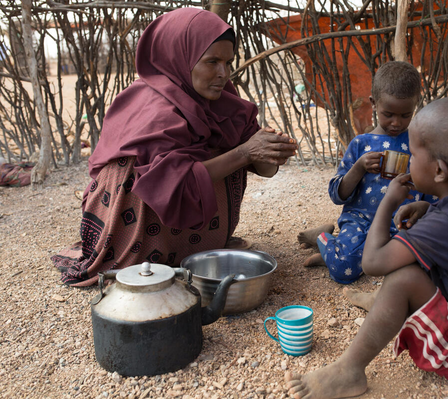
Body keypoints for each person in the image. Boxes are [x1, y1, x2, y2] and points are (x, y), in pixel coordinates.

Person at [285, 97, 448, 399]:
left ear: (439, 171)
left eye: (414, 155)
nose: (409, 160)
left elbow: (373, 263)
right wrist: (425, 207)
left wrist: (389, 201)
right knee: (413, 255)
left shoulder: (446, 224)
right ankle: (384, 306)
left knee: (401, 278)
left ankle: (349, 370)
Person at [52, 8, 297, 286]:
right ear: (180, 57)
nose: (223, 73)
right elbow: (171, 184)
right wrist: (245, 152)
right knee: (152, 168)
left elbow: (261, 164)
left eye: (228, 62)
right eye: (212, 61)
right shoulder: (152, 107)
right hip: (138, 236)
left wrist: (272, 150)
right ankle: (153, 257)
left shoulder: (223, 100)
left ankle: (193, 250)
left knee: (226, 149)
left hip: (191, 231)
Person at [297, 61, 435, 284]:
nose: (396, 123)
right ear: (373, 103)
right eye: (388, 114)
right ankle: (325, 240)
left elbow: (430, 190)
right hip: (360, 221)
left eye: (405, 115)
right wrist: (359, 167)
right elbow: (337, 194)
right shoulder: (361, 144)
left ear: (415, 107)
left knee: (422, 265)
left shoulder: (418, 144)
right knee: (344, 270)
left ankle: (337, 250)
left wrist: (425, 207)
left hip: (399, 223)